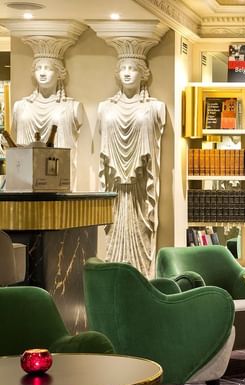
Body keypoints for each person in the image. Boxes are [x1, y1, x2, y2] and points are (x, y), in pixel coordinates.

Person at [98, 56, 166, 276]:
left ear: (143, 74)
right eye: (123, 69)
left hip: (141, 185)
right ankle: (115, 276)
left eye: (133, 69)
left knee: (142, 230)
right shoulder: (105, 108)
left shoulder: (155, 107)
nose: (127, 73)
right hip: (114, 185)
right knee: (114, 232)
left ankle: (142, 275)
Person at [12, 56, 84, 191]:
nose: (42, 72)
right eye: (38, 68)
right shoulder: (20, 107)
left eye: (48, 68)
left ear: (59, 74)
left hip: (60, 184)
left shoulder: (72, 106)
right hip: (24, 185)